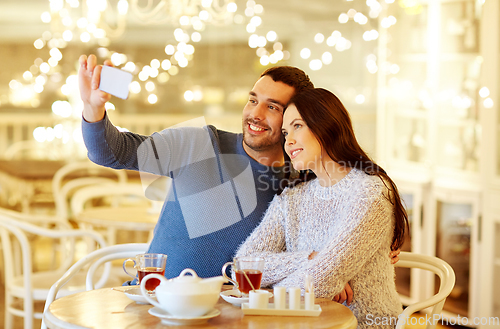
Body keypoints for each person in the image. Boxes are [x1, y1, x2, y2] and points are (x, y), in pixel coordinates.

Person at [78, 55, 399, 303]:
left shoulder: (299, 186)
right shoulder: (198, 143)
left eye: (272, 107)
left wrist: (363, 260)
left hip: (231, 315)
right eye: (252, 99)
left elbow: (336, 241)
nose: (255, 114)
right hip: (154, 302)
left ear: (294, 119)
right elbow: (113, 152)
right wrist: (93, 110)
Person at [235, 88, 408, 328]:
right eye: (285, 132)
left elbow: (321, 280)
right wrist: (308, 259)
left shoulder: (370, 191)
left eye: (298, 126)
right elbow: (242, 267)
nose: (289, 141)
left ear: (326, 125)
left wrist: (274, 285)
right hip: (299, 322)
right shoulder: (292, 197)